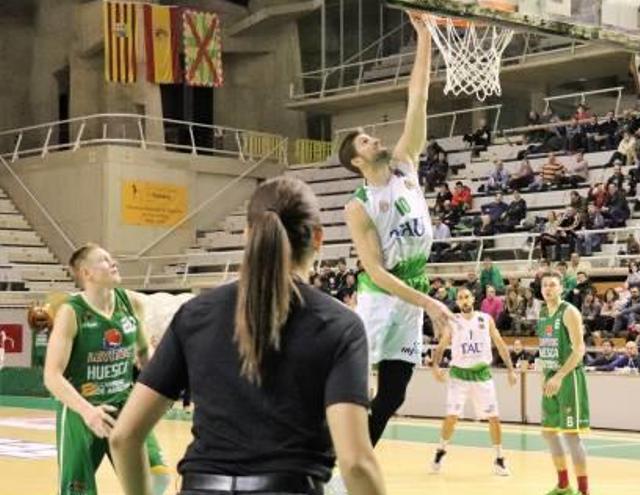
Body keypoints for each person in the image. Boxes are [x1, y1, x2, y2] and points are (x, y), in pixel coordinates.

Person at [108, 178, 387, 495]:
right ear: (318, 238)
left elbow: (124, 437)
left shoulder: (194, 315)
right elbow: (356, 464)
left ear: (246, 237)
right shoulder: (340, 325)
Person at [337, 13, 454, 451]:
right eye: (365, 142)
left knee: (393, 393)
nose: (374, 140)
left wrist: (423, 36)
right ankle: (325, 460)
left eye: (371, 136)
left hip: (411, 292)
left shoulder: (406, 164)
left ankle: (351, 467)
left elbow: (417, 98)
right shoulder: (359, 205)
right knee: (348, 391)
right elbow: (377, 271)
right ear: (356, 162)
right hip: (380, 299)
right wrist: (429, 302)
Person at [43, 243, 170, 495]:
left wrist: (161, 387)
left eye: (112, 258)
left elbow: (144, 354)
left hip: (124, 403)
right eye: (104, 260)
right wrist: (88, 412)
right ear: (87, 273)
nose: (113, 263)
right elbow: (51, 376)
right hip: (82, 410)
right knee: (77, 491)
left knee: (158, 478)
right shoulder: (71, 312)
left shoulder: (131, 301)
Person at [430, 287, 517, 476]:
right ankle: (441, 450)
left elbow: (500, 343)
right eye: (460, 298)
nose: (464, 300)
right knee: (452, 417)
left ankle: (499, 458)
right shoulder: (452, 321)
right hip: (459, 375)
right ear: (458, 302)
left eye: (467, 297)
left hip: (482, 375)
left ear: (473, 299)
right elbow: (442, 345)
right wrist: (435, 367)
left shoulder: (485, 319)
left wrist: (511, 369)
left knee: (494, 418)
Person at [537, 271, 590, 495]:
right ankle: (563, 485)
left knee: (571, 435)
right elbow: (546, 347)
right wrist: (545, 376)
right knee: (549, 432)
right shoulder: (542, 312)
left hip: (568, 379)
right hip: (551, 377)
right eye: (545, 285)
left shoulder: (569, 312)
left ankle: (584, 490)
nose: (548, 289)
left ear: (561, 288)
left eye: (552, 285)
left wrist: (559, 376)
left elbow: (579, 350)